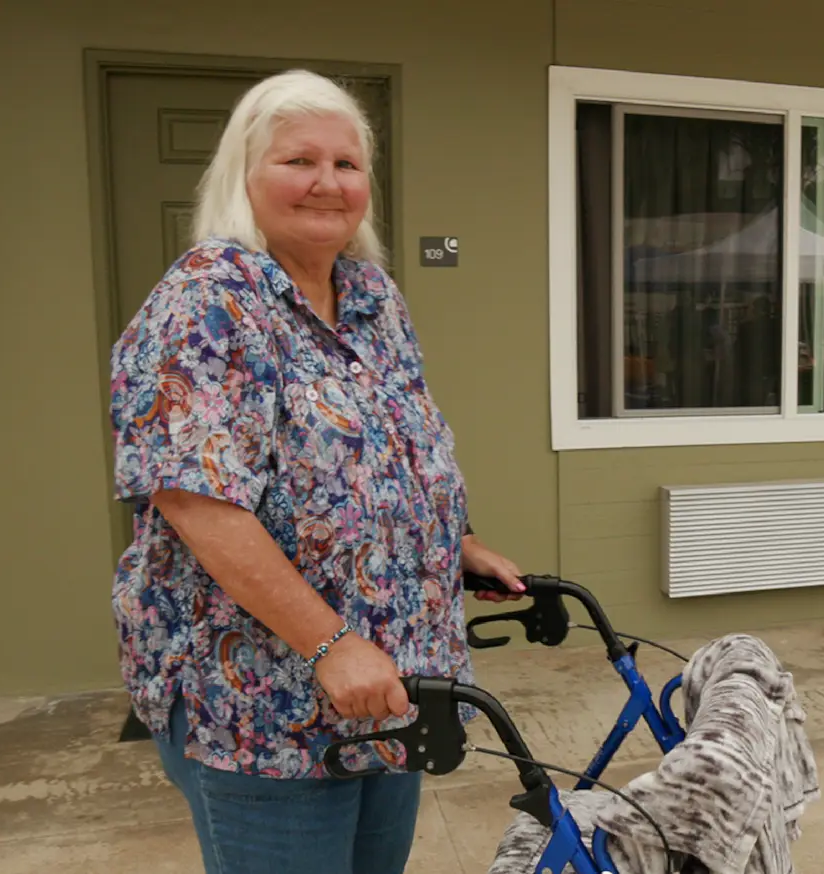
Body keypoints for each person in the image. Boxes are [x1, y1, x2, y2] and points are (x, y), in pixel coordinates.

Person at [107, 69, 524, 874]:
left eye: (348, 164)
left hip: (395, 679)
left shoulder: (370, 295)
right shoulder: (209, 301)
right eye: (299, 161)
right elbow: (198, 503)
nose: (328, 184)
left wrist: (458, 540)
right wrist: (331, 644)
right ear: (244, 175)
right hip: (269, 705)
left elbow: (402, 442)